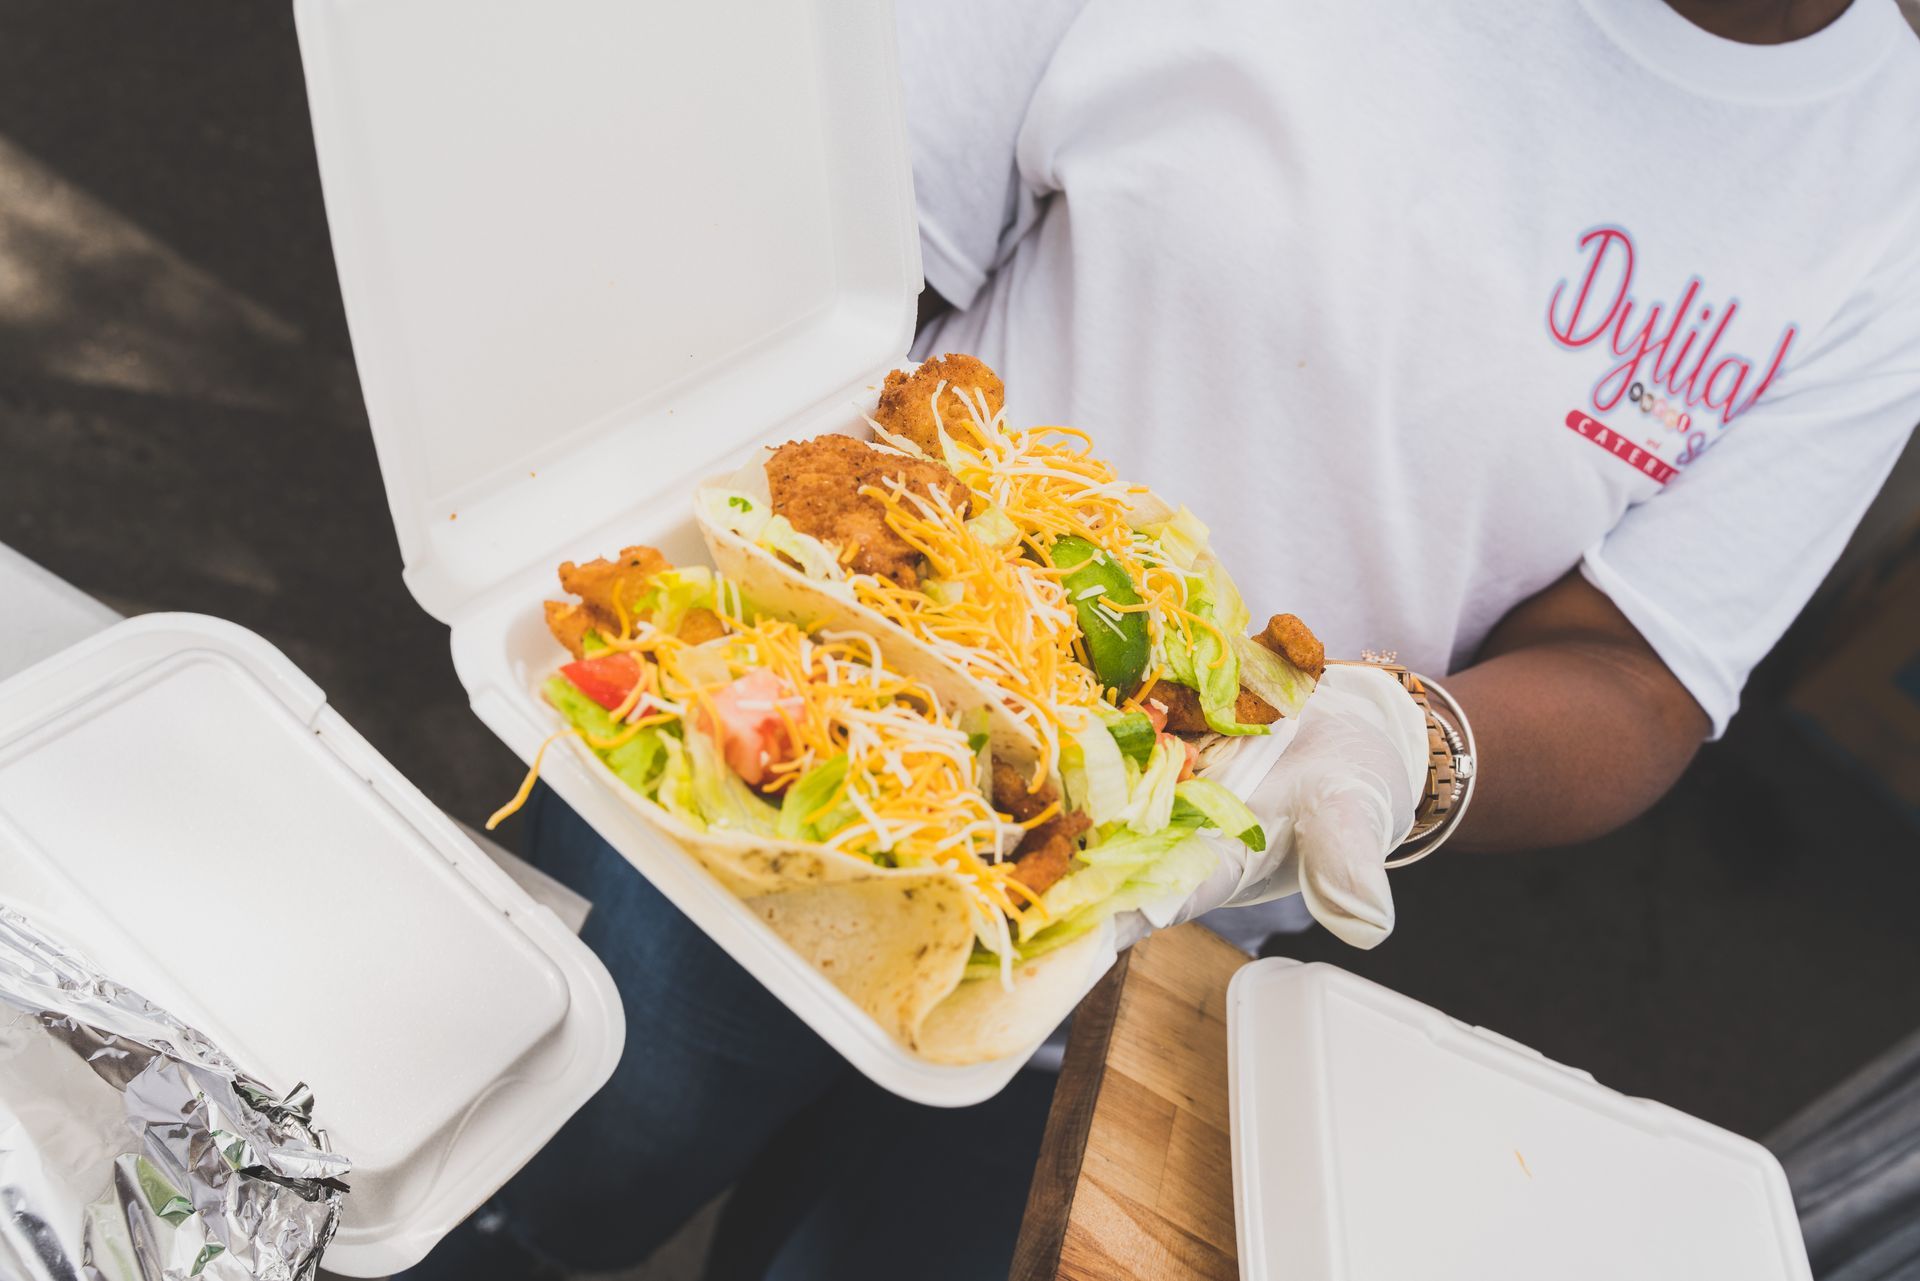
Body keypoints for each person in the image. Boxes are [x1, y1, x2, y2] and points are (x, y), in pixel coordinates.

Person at [401, 0, 1920, 1276]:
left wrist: (1412, 749)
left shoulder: (1884, 200)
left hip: (1152, 934)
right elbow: (850, 241)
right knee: (500, 1204)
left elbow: (1642, 668)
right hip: (768, 776)